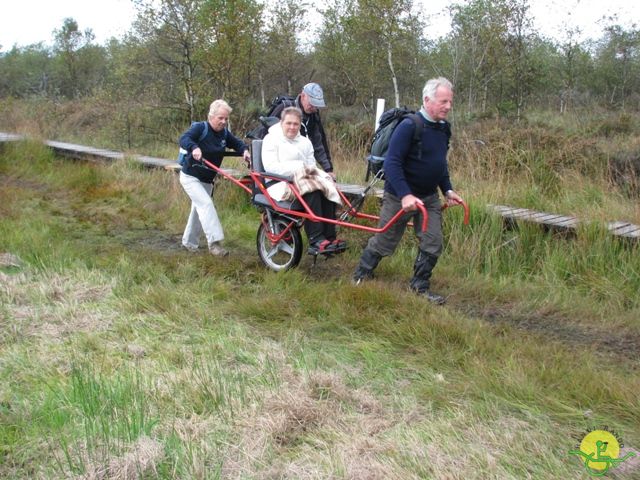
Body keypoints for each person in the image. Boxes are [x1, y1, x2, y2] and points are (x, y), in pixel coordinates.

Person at [352, 77, 464, 304]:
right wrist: (405, 195)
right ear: (427, 99)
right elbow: (391, 163)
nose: (448, 106)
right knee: (385, 241)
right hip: (398, 195)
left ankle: (419, 287)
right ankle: (361, 274)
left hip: (429, 197)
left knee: (433, 242)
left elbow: (439, 164)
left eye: (450, 102)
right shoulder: (409, 126)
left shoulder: (444, 129)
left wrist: (448, 190)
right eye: (443, 101)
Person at [262, 106, 346, 254]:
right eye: (288, 123)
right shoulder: (271, 139)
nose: (292, 127)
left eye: (296, 124)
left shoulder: (305, 142)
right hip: (279, 182)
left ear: (300, 124)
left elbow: (311, 164)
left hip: (302, 180)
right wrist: (298, 168)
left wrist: (322, 176)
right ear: (281, 122)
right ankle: (316, 239)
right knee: (312, 191)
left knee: (325, 189)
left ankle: (329, 238)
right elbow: (271, 167)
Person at [179, 99, 250, 256]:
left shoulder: (224, 133)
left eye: (226, 119)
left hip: (207, 179)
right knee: (206, 205)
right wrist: (194, 147)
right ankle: (215, 244)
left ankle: (189, 244)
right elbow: (184, 139)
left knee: (198, 210)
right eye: (220, 118)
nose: (224, 122)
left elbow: (237, 143)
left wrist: (244, 151)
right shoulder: (200, 128)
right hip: (190, 176)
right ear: (211, 116)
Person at [270, 83, 335, 180]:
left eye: (316, 105)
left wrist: (328, 169)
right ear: (303, 96)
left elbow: (319, 144)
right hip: (282, 169)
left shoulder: (314, 115)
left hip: (304, 170)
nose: (314, 107)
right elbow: (266, 136)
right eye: (311, 103)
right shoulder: (284, 108)